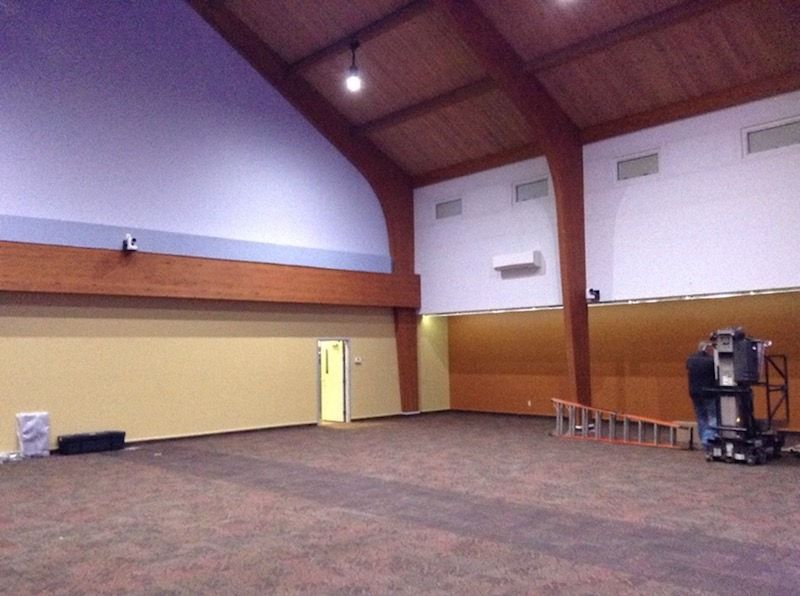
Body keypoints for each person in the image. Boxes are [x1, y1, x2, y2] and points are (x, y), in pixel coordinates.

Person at [686, 341, 718, 451]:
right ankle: (708, 440)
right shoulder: (711, 361)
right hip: (709, 393)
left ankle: (704, 440)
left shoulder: (690, 360)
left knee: (701, 417)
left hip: (694, 393)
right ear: (706, 349)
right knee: (713, 417)